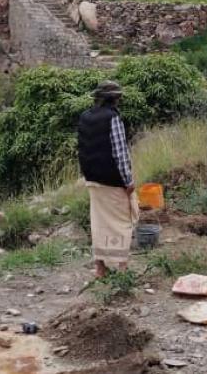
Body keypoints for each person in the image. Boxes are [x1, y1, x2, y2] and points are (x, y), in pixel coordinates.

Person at [78, 80, 140, 278]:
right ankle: (122, 268)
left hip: (92, 179)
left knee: (99, 223)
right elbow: (120, 153)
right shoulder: (113, 118)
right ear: (115, 98)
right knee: (121, 222)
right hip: (112, 180)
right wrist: (128, 180)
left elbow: (81, 148)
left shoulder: (85, 117)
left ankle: (100, 268)